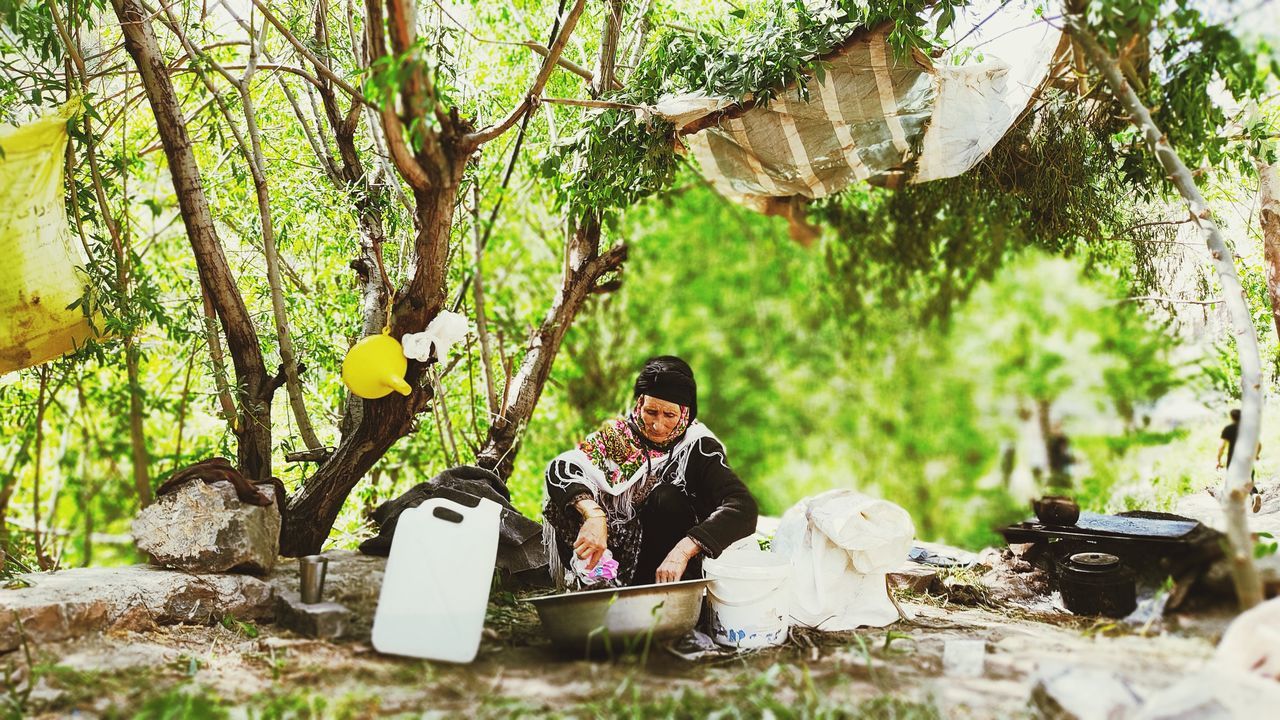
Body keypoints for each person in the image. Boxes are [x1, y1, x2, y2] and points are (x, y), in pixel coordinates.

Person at [542, 356, 758, 588]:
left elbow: (742, 506)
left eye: (670, 415)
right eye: (651, 412)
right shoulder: (619, 436)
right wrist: (594, 515)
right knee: (571, 497)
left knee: (666, 496)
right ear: (639, 405)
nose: (657, 425)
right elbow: (561, 468)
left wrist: (683, 552)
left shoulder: (699, 447)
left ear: (685, 413)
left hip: (669, 563)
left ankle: (656, 592)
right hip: (614, 550)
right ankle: (596, 580)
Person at [1216, 408, 1262, 513]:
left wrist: (1218, 460)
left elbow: (1221, 447)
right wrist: (1256, 455)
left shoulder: (1228, 429)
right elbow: (1258, 444)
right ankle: (1255, 495)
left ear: (1232, 418)